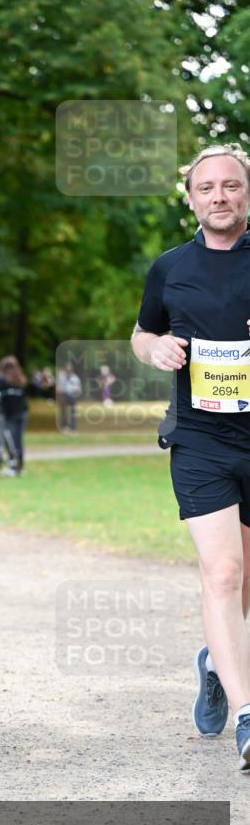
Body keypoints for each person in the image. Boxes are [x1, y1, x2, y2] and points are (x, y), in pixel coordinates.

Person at [131, 142, 250, 772]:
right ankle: (248, 716)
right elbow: (142, 330)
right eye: (207, 188)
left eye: (231, 186)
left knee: (245, 584)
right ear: (191, 198)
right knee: (223, 573)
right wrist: (153, 350)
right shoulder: (169, 267)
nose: (219, 197)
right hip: (199, 439)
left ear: (246, 193)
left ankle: (213, 661)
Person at [0, 355, 29, 474]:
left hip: (11, 415)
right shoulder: (21, 380)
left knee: (10, 440)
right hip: (21, 414)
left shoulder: (3, 381)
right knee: (18, 440)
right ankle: (19, 465)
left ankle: (14, 464)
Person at [56, 362, 82, 433]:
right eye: (67, 369)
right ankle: (64, 426)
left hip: (72, 395)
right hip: (63, 395)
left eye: (69, 369)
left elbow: (79, 389)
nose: (68, 370)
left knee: (72, 412)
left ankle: (73, 428)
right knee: (63, 412)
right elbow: (58, 388)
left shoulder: (75, 378)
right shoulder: (61, 377)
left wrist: (76, 391)